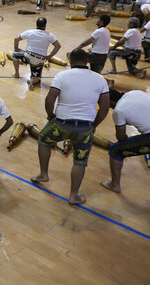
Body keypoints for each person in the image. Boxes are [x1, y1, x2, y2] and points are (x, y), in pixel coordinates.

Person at [32, 49, 109, 205]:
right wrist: (94, 125)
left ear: (71, 61)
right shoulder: (100, 79)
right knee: (79, 160)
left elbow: (49, 100)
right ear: (86, 61)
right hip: (84, 128)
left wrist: (50, 116)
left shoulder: (62, 75)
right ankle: (74, 195)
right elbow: (105, 107)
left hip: (62, 124)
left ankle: (43, 174)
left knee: (43, 139)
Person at [100, 89, 150, 193]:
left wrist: (128, 144)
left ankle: (114, 185)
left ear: (110, 102)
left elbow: (121, 138)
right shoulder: (136, 92)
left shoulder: (118, 110)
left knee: (115, 150)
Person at [12, 17, 61, 90]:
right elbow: (58, 46)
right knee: (37, 77)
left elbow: (16, 39)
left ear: (36, 24)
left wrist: (16, 49)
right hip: (39, 60)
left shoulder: (30, 32)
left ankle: (16, 73)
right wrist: (49, 56)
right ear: (45, 25)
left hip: (27, 56)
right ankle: (32, 81)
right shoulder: (50, 35)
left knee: (14, 55)